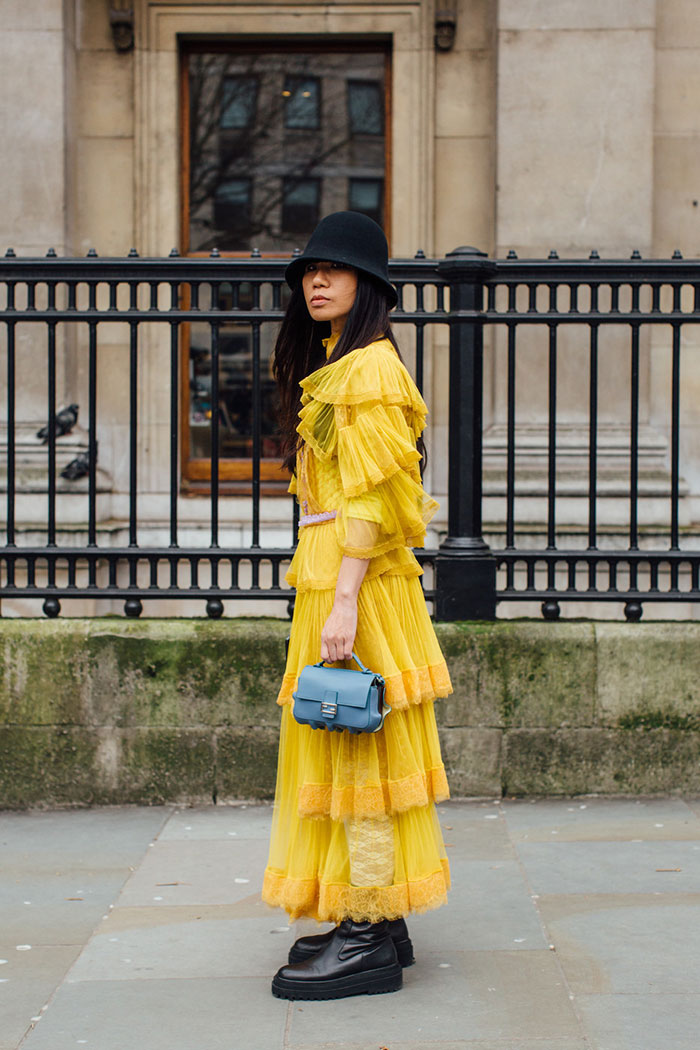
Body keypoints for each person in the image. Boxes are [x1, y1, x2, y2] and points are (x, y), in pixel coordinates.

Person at [262, 211, 453, 1001]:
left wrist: (342, 602)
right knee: (351, 741)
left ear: (368, 287)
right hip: (344, 576)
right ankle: (378, 921)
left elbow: (374, 498)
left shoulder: (369, 368)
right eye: (309, 271)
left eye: (333, 271)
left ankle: (369, 934)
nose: (315, 280)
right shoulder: (344, 363)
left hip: (358, 585)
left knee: (359, 753)